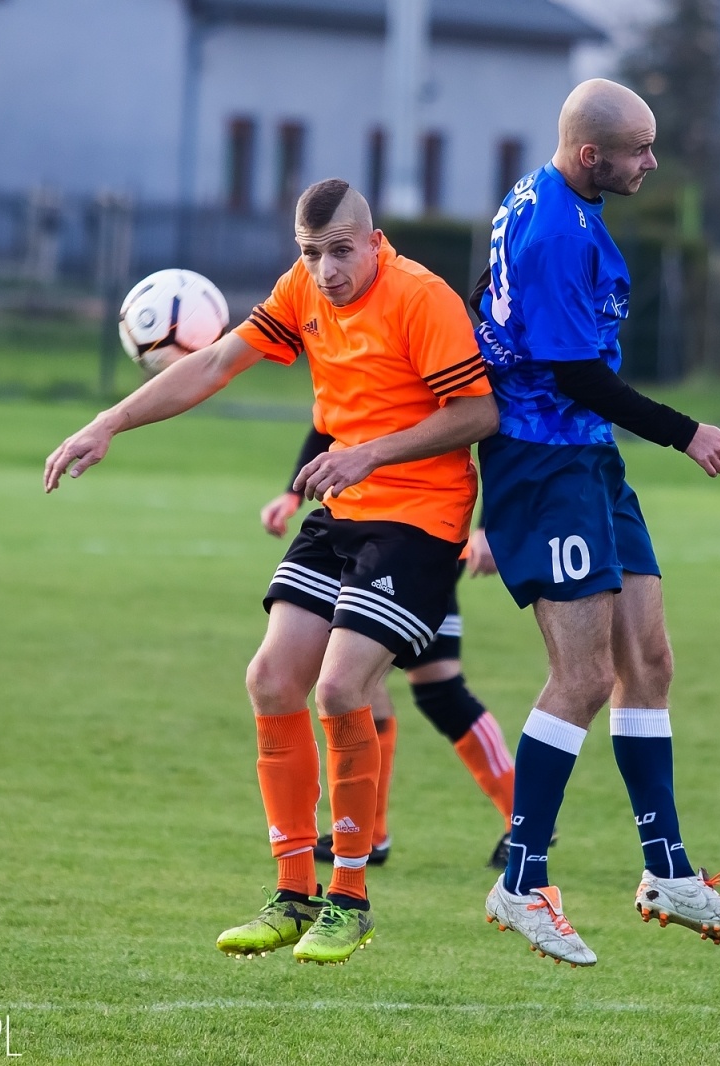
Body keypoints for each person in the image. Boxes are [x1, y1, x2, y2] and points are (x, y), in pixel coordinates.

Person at [43, 178, 498, 963]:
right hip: (344, 506)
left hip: (421, 515)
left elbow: (478, 413)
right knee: (271, 679)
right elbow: (216, 362)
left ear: (373, 238)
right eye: (309, 253)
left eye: (339, 250)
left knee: (340, 687)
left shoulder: (421, 297)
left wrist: (366, 453)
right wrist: (108, 422)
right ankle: (292, 895)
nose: (324, 270)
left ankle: (349, 900)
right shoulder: (300, 291)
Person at [471, 78, 720, 968]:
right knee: (586, 676)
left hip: (588, 458)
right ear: (592, 154)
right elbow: (574, 376)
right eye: (640, 148)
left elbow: (491, 295)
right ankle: (521, 880)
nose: (653, 161)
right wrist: (687, 432)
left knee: (650, 661)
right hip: (545, 458)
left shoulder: (552, 192)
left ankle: (667, 870)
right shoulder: (558, 228)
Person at [260, 425, 517, 869]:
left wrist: (490, 525)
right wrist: (292, 492)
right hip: (360, 528)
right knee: (370, 681)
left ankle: (522, 818)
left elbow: (487, 422)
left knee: (425, 686)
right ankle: (370, 835)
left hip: (420, 533)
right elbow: (334, 418)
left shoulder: (447, 360)